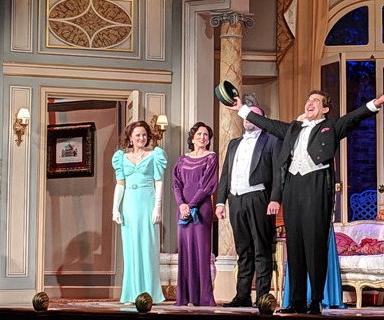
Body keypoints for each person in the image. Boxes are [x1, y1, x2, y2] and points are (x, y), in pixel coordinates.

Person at [225, 89, 384, 315]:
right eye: (308, 100)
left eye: (315, 101)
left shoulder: (331, 127)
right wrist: (242, 110)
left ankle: (315, 299)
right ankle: (296, 301)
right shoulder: (293, 129)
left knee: (314, 244)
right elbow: (267, 124)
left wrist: (377, 103)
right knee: (295, 245)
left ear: (325, 109)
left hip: (316, 186)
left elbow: (355, 116)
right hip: (293, 187)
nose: (310, 103)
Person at [216, 103, 283, 307]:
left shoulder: (271, 140)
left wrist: (275, 198)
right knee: (243, 250)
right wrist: (220, 201)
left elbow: (278, 171)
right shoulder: (234, 143)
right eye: (246, 115)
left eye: (254, 115)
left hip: (259, 197)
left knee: (261, 248)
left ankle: (262, 297)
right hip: (236, 199)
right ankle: (242, 296)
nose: (248, 118)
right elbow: (225, 173)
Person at [111, 121, 167, 304]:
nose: (141, 138)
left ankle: (150, 293)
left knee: (148, 246)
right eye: (137, 135)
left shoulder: (155, 155)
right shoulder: (121, 157)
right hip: (129, 204)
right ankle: (131, 292)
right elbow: (120, 184)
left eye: (144, 135)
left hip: (147, 202)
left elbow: (159, 182)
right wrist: (115, 208)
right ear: (130, 138)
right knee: (131, 248)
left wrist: (157, 207)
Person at [173, 122, 219, 306]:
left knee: (201, 251)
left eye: (206, 135)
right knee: (185, 250)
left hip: (201, 209)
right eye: (199, 134)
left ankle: (203, 298)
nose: (202, 137)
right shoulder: (182, 159)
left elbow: (208, 185)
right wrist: (181, 205)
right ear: (192, 137)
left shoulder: (211, 158)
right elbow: (176, 183)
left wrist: (191, 206)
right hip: (183, 210)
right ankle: (185, 297)